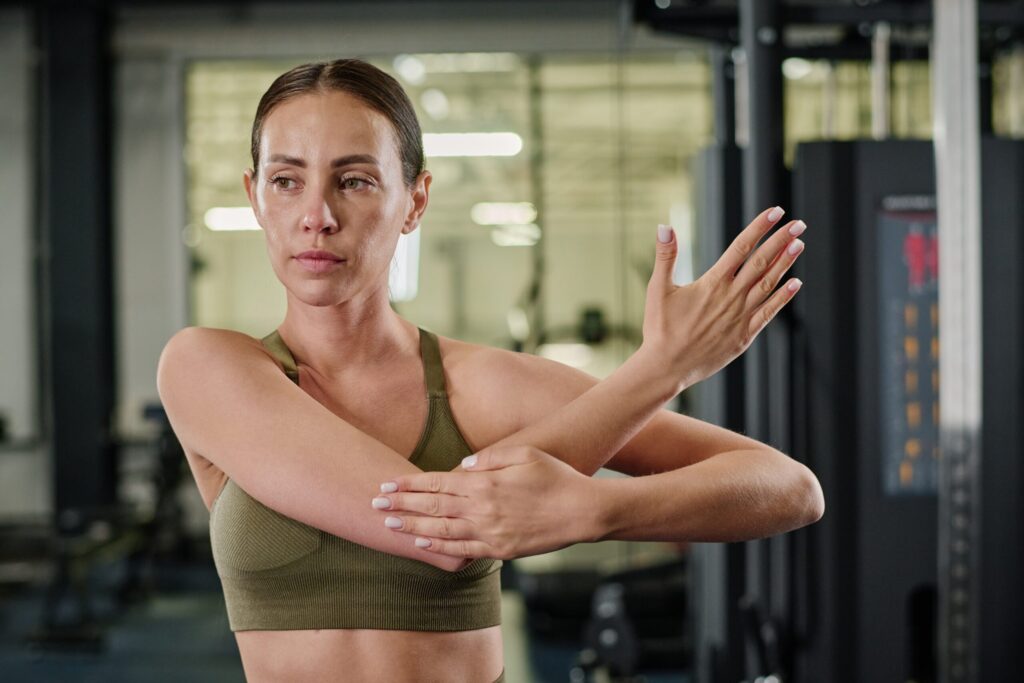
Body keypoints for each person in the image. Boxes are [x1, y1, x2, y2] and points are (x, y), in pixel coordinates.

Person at [156, 58, 823, 683]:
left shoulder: (481, 386)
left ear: (415, 201)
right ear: (254, 196)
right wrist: (658, 370)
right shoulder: (206, 369)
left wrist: (597, 508)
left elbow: (791, 488)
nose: (317, 217)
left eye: (354, 180)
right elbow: (444, 532)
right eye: (286, 180)